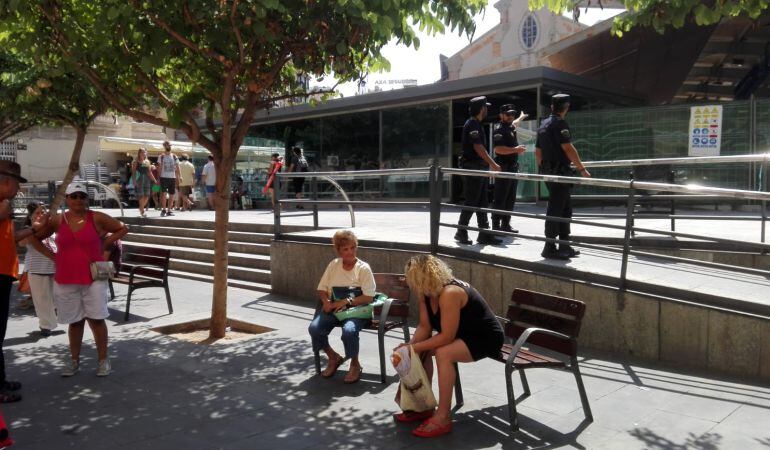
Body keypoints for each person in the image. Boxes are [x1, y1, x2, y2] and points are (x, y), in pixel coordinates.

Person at [395, 254, 504, 438]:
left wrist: (414, 348)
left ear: (422, 278)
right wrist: (408, 349)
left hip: (485, 338)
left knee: (443, 352)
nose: (410, 284)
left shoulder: (450, 293)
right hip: (463, 335)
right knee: (419, 350)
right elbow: (425, 326)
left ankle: (443, 416)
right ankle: (422, 405)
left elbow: (446, 337)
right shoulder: (425, 293)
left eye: (412, 279)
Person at [38, 182, 129, 377]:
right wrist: (53, 256)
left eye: (82, 196)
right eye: (74, 196)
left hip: (93, 278)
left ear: (87, 199)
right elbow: (34, 238)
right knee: (75, 322)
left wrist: (105, 241)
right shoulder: (57, 220)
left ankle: (103, 360)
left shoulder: (96, 217)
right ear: (67, 199)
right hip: (66, 277)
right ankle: (74, 361)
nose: (78, 199)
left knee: (96, 320)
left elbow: (122, 228)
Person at [0, 160, 47, 402]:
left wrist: (33, 228)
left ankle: (1, 380)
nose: (18, 190)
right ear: (6, 181)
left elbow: (11, 239)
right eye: (17, 184)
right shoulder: (2, 205)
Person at [308, 230, 376, 384]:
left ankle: (355, 364)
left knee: (349, 331)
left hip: (357, 311)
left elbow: (368, 297)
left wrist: (346, 301)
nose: (350, 252)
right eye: (345, 249)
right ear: (339, 251)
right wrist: (326, 302)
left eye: (353, 248)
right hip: (335, 311)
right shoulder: (333, 265)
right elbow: (322, 288)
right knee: (314, 329)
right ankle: (333, 357)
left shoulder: (363, 268)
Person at [535, 93, 591, 260]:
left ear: (552, 107)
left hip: (550, 172)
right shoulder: (560, 124)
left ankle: (564, 245)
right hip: (560, 173)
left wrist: (544, 170)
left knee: (565, 209)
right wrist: (582, 169)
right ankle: (549, 247)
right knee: (556, 209)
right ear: (566, 108)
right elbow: (568, 148)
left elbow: (538, 153)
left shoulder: (543, 124)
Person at [454, 96, 502, 246]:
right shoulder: (473, 124)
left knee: (482, 201)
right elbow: (478, 147)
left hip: (479, 168)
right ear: (482, 109)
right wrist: (493, 163)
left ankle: (484, 233)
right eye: (485, 107)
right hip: (473, 167)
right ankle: (461, 231)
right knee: (472, 200)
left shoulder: (476, 124)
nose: (487, 110)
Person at [19, 202, 58, 337]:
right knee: (41, 300)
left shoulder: (51, 227)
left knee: (54, 298)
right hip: (37, 268)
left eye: (43, 212)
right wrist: (35, 228)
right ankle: (45, 325)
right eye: (37, 213)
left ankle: (52, 321)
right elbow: (22, 242)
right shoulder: (28, 228)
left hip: (54, 267)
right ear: (31, 216)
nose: (40, 215)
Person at [491, 104, 528, 233]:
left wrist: (521, 117)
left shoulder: (510, 126)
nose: (511, 116)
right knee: (500, 198)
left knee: (510, 198)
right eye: (508, 114)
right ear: (501, 115)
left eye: (512, 114)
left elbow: (515, 123)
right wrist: (516, 150)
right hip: (503, 169)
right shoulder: (499, 130)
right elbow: (498, 149)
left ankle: (506, 224)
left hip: (512, 168)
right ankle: (496, 226)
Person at [131, 148, 157, 218]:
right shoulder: (135, 161)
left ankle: (141, 207)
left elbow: (149, 172)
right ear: (139, 153)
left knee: (147, 196)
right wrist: (134, 181)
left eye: (145, 152)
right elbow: (133, 172)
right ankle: (142, 211)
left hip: (147, 180)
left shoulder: (147, 162)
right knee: (141, 196)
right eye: (142, 152)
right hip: (139, 179)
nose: (143, 153)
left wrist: (154, 180)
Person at [158, 141, 181, 217]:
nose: (168, 146)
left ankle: (169, 210)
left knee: (172, 194)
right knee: (164, 194)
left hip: (172, 177)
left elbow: (178, 167)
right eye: (167, 145)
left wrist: (179, 176)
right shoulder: (161, 156)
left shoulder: (174, 156)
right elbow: (160, 167)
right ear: (164, 146)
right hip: (163, 177)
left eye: (169, 145)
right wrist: (158, 178)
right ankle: (164, 209)